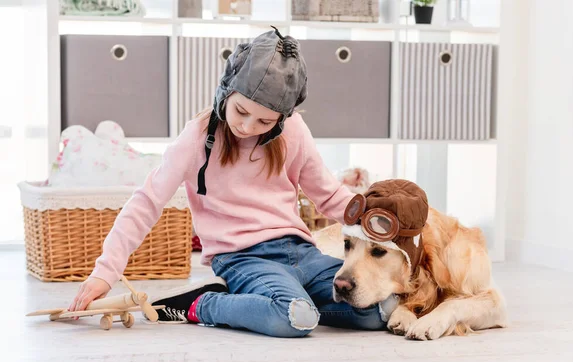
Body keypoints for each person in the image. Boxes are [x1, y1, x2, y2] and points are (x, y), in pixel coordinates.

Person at [68, 27, 396, 338]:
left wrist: (379, 222)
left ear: (282, 119)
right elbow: (146, 202)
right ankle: (199, 305)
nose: (248, 126)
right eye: (240, 111)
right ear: (226, 89)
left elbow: (330, 197)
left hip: (300, 252)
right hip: (242, 257)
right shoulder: (196, 138)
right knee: (294, 320)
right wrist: (105, 271)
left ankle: (283, 304)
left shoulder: (293, 131)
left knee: (376, 311)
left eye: (265, 121)